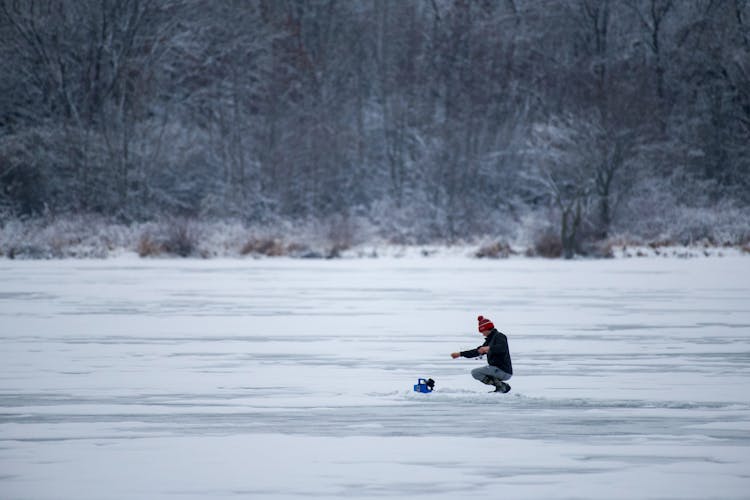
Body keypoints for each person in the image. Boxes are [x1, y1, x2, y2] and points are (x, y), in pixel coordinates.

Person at [451, 315, 513, 393]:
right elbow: (477, 351)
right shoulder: (489, 340)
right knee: (475, 373)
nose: (482, 334)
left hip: (503, 370)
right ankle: (500, 386)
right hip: (496, 370)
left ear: (487, 329)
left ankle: (501, 386)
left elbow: (502, 348)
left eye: (482, 331)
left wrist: (489, 348)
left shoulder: (500, 336)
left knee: (476, 372)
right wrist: (460, 354)